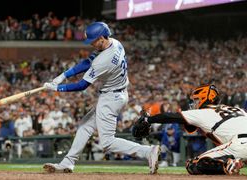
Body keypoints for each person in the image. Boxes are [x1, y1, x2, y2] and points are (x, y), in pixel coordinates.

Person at [42, 21, 160, 174]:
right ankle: (67, 162)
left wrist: (57, 88)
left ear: (102, 38)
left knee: (107, 143)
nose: (91, 44)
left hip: (111, 99)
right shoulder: (116, 43)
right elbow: (88, 61)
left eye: (93, 41)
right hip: (117, 93)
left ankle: (148, 151)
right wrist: (63, 75)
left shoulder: (103, 61)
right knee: (85, 125)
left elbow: (82, 85)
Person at [132, 84, 247, 175]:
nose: (194, 103)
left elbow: (171, 117)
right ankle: (232, 162)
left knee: (193, 165)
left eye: (196, 100)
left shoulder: (204, 112)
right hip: (240, 143)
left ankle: (228, 165)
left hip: (240, 144)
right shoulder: (236, 109)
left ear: (205, 98)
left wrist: (149, 120)